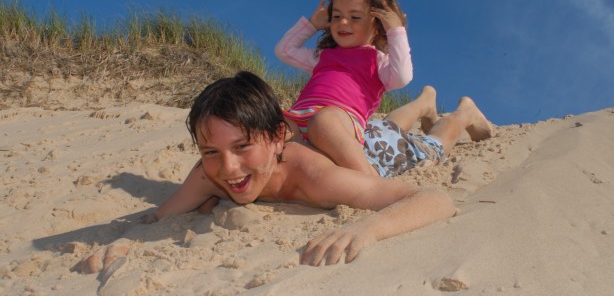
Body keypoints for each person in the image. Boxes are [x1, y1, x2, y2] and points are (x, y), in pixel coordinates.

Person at [77, 71, 493, 272]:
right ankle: (421, 103)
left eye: (242, 147)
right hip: (359, 134)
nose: (229, 168)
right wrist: (129, 239)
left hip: (376, 154)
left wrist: (367, 230)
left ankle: (460, 112)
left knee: (428, 148)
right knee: (380, 128)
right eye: (210, 151)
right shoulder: (209, 173)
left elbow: (436, 199)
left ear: (279, 137)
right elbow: (159, 216)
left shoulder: (317, 178)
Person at [275, 0, 412, 176]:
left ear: (377, 25)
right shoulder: (323, 56)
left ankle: (367, 179)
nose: (343, 22)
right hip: (300, 119)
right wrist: (312, 24)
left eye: (355, 17)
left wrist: (395, 30)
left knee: (325, 121)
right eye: (336, 16)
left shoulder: (378, 61)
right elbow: (284, 51)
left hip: (338, 128)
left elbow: (402, 77)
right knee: (275, 122)